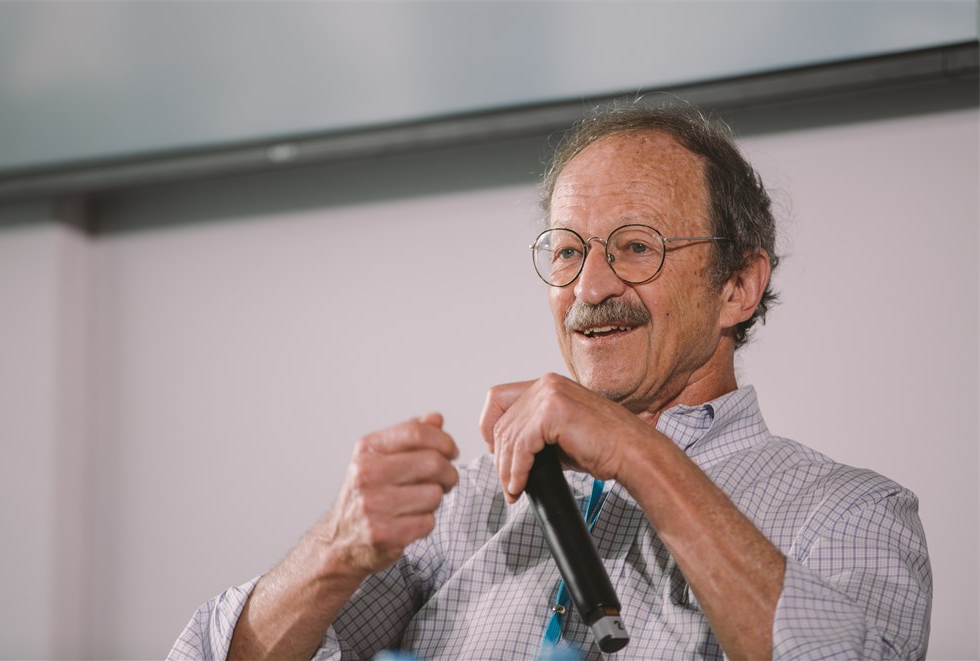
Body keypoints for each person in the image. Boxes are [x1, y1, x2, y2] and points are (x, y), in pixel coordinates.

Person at [170, 102, 931, 660]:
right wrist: (335, 547)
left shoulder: (850, 513)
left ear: (738, 285)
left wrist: (640, 455)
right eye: (566, 252)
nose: (590, 286)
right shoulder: (468, 509)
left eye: (635, 246)